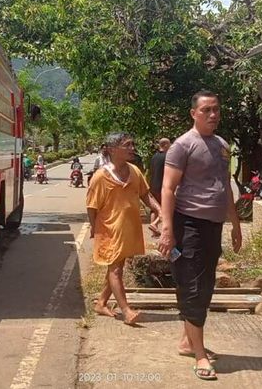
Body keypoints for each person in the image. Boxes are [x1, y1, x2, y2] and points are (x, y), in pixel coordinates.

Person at [158, 90, 242, 382]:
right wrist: (167, 229)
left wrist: (236, 225)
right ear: (193, 113)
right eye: (206, 110)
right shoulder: (182, 145)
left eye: (216, 109)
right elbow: (168, 189)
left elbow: (225, 186)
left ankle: (186, 341)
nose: (213, 114)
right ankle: (200, 355)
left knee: (204, 283)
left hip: (213, 226)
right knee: (192, 286)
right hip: (188, 225)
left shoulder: (221, 145)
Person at [87, 132, 161, 326]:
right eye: (127, 145)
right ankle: (127, 311)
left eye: (132, 144)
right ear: (112, 150)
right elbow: (92, 206)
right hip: (109, 230)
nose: (132, 148)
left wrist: (159, 210)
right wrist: (94, 229)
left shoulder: (135, 171)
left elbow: (146, 195)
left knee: (117, 266)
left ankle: (101, 303)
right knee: (116, 269)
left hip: (129, 230)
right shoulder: (100, 177)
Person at [147, 138, 171, 236]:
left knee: (155, 209)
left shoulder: (154, 157)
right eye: (169, 144)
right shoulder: (167, 157)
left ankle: (154, 231)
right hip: (162, 186)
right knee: (166, 208)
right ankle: (155, 223)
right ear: (165, 145)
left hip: (153, 186)